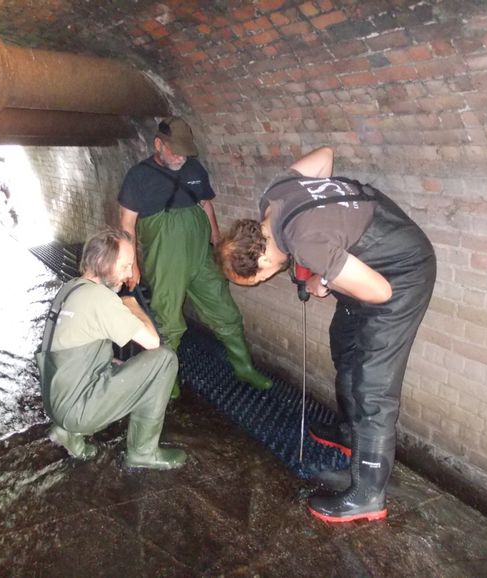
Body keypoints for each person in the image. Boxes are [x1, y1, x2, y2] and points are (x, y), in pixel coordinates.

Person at [216, 147, 436, 523]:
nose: (266, 280)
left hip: (401, 275)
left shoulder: (307, 243)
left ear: (264, 260)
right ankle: (351, 434)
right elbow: (324, 157)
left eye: (259, 279)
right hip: (367, 265)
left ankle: (368, 494)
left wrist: (324, 279)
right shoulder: (274, 197)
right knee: (344, 344)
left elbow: (380, 293)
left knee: (373, 386)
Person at [118, 116, 271, 398]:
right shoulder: (138, 177)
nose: (180, 157)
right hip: (166, 258)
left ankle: (244, 368)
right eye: (174, 151)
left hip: (201, 254)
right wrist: (131, 265)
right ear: (158, 144)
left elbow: (205, 204)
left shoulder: (194, 168)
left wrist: (215, 238)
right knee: (167, 320)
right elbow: (127, 223)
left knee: (225, 310)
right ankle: (166, 376)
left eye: (185, 152)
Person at [36, 227, 186, 470]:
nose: (129, 274)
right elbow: (152, 342)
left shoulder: (71, 288)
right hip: (77, 409)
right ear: (100, 262)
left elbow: (76, 352)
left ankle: (67, 432)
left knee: (124, 364)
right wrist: (132, 305)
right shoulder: (100, 298)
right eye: (125, 266)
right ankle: (143, 453)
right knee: (164, 360)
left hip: (56, 402)